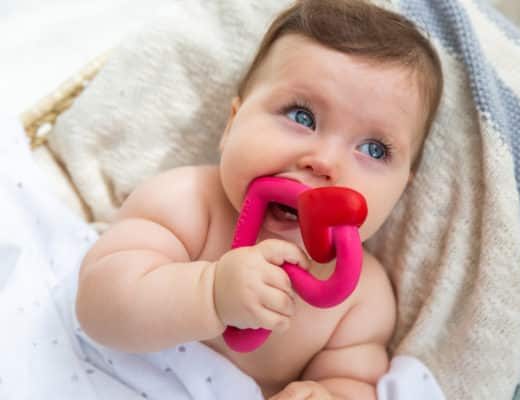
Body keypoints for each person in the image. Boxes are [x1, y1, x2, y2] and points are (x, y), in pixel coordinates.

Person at [75, 0, 443, 398]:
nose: (324, 163)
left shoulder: (362, 297)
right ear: (232, 124)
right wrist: (208, 292)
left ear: (401, 189)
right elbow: (99, 308)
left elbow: (353, 381)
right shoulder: (185, 204)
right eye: (301, 116)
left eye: (373, 149)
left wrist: (329, 393)